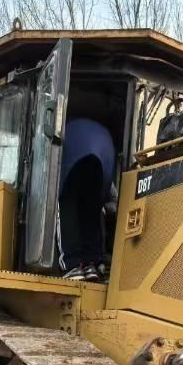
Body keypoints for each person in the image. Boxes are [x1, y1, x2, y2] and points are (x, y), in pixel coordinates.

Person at [58, 118, 116, 281]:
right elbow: (108, 195)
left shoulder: (67, 133)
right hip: (103, 148)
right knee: (91, 209)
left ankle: (72, 264)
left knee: (64, 205)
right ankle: (91, 264)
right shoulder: (103, 138)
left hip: (73, 145)